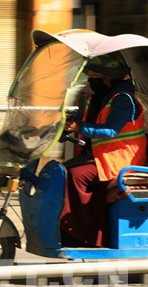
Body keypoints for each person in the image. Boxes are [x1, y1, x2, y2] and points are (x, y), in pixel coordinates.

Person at [60, 54, 146, 247]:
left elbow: (111, 130)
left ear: (109, 77)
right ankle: (71, 228)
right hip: (104, 158)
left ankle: (84, 233)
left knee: (76, 176)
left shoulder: (123, 99)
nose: (90, 79)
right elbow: (83, 120)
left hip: (122, 161)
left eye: (95, 75)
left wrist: (79, 127)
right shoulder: (99, 98)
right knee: (62, 170)